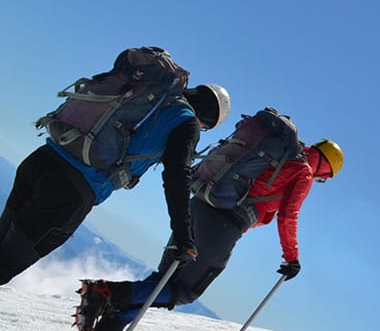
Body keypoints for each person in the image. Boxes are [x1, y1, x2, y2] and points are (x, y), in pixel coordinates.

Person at [74, 127, 343, 331]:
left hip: (199, 205)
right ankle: (107, 291)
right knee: (186, 290)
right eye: (325, 178)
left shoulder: (281, 154)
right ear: (325, 169)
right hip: (223, 225)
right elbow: (288, 215)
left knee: (166, 278)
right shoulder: (303, 172)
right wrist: (292, 257)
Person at [1, 47, 229, 287]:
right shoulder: (185, 122)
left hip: (43, 158)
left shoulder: (146, 90)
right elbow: (176, 177)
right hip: (71, 190)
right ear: (208, 121)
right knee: (6, 264)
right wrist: (183, 235)